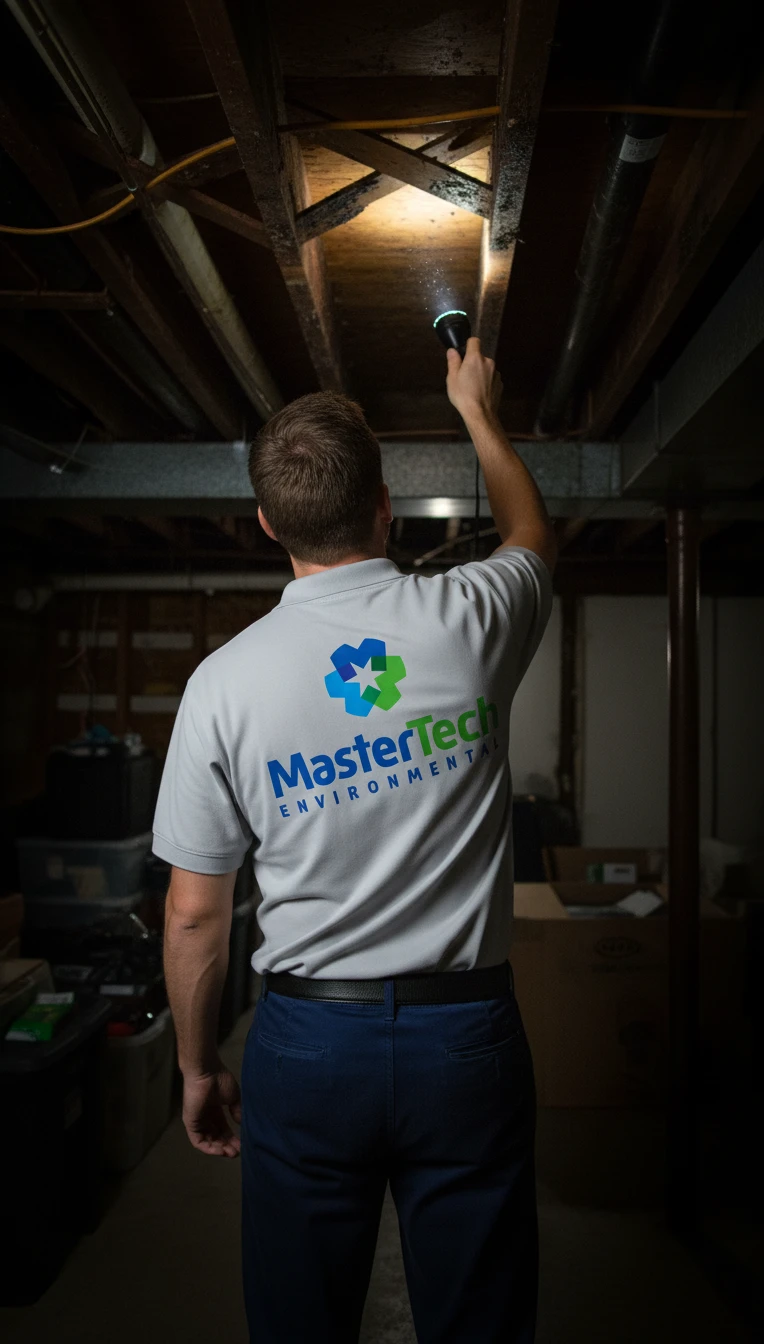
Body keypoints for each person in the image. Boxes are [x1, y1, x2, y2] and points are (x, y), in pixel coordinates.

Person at [153, 335, 557, 1344]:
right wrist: (474, 408)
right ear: (384, 505)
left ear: (264, 523)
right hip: (465, 1041)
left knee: (300, 1322)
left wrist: (198, 1069)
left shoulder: (222, 685)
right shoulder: (471, 617)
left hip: (307, 1046)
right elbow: (531, 533)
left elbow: (195, 912)